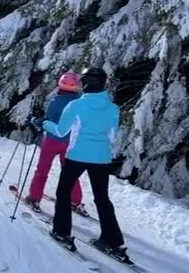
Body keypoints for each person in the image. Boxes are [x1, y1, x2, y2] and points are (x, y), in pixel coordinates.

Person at [36, 67, 128, 260]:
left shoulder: (76, 106)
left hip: (76, 156)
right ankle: (112, 241)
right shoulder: (113, 108)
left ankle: (62, 232)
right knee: (102, 199)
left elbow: (60, 131)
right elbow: (112, 136)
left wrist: (42, 123)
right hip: (102, 159)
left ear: (84, 83)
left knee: (63, 192)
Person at [25, 72, 87, 215]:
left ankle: (34, 197)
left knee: (42, 170)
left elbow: (48, 121)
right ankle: (75, 200)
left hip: (52, 140)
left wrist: (35, 120)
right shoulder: (79, 102)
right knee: (70, 172)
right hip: (70, 142)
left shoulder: (56, 101)